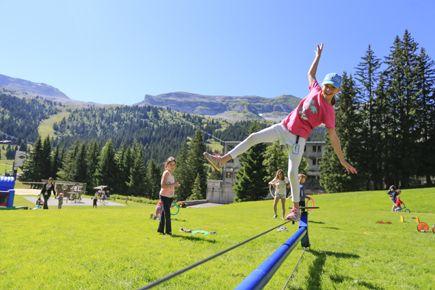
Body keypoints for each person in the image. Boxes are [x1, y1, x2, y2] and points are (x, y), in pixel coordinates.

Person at [204, 44, 357, 221]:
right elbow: (310, 74)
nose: (328, 89)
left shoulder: (329, 111)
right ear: (323, 85)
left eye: (332, 87)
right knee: (253, 137)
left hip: (298, 140)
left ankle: (295, 209)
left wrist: (342, 159)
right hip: (284, 127)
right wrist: (318, 57)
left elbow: (333, 136)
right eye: (327, 85)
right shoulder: (315, 89)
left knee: (292, 172)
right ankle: (222, 160)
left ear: (337, 90)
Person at [157, 156, 180, 235]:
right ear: (167, 164)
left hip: (169, 197)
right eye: (171, 164)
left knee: (164, 213)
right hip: (164, 196)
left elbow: (170, 185)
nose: (172, 166)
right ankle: (168, 231)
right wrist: (174, 184)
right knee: (167, 214)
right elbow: (163, 185)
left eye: (174, 164)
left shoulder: (171, 174)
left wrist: (175, 185)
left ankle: (160, 230)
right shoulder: (166, 173)